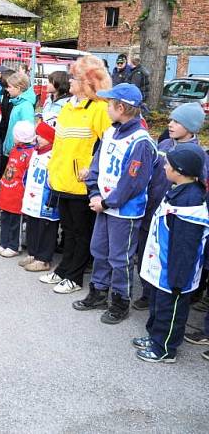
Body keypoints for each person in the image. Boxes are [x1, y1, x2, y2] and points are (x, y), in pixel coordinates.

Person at [72, 83, 156, 324]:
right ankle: (98, 291)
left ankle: (120, 301)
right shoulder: (110, 132)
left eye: (109, 104)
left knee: (120, 258)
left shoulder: (140, 141)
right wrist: (94, 194)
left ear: (121, 107)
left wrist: (107, 202)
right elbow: (97, 166)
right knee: (99, 249)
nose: (106, 108)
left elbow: (133, 183)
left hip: (124, 211)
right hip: (103, 204)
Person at [39, 55, 113, 294]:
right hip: (62, 179)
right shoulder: (69, 106)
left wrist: (92, 169)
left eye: (75, 77)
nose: (70, 80)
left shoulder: (100, 109)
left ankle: (75, 276)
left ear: (88, 82)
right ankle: (63, 270)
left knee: (81, 232)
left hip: (82, 184)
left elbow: (108, 145)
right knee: (68, 230)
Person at [135, 142, 209, 362]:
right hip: (163, 264)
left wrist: (178, 278)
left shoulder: (191, 202)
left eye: (168, 164)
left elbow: (186, 246)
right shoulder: (177, 190)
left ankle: (165, 348)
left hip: (175, 271)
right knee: (158, 305)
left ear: (181, 172)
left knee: (171, 309)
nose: (165, 166)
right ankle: (154, 335)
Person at [133, 102, 209, 310]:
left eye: (177, 121)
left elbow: (200, 185)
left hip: (175, 214)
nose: (171, 124)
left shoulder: (196, 155)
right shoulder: (165, 145)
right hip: (153, 207)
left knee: (167, 254)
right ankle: (148, 291)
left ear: (191, 126)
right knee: (147, 248)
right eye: (171, 120)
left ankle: (165, 294)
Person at [19, 121, 60, 272]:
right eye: (38, 135)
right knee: (33, 226)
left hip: (46, 199)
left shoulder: (53, 155)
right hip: (32, 196)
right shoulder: (36, 152)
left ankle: (43, 258)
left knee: (45, 228)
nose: (38, 138)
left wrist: (52, 197)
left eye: (42, 136)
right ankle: (33, 252)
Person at [0, 120, 36, 257]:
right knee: (5, 217)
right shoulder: (15, 149)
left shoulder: (29, 153)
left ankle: (13, 245)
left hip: (18, 191)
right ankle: (3, 242)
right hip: (8, 189)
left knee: (15, 220)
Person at [1, 72, 36, 164]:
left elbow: (27, 131)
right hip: (12, 150)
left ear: (18, 88)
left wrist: (15, 146)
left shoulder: (25, 106)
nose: (7, 90)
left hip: (17, 152)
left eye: (10, 87)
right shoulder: (18, 103)